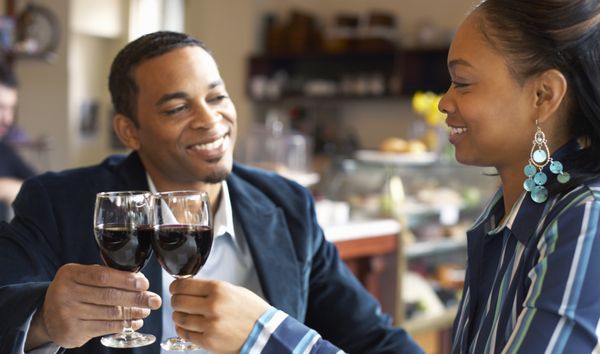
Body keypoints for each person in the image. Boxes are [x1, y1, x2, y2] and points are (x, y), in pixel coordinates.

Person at [0, 31, 422, 354]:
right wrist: (43, 320)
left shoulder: (286, 205)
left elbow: (375, 339)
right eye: (177, 107)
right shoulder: (60, 203)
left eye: (217, 96)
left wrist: (264, 336)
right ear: (130, 131)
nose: (210, 120)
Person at [437, 0, 600, 353]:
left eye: (462, 83)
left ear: (543, 96)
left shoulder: (586, 219)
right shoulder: (500, 218)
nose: (444, 102)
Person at [0, 62, 35, 222]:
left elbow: (41, 188)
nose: (7, 119)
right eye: (1, 107)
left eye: (11, 108)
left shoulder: (5, 152)